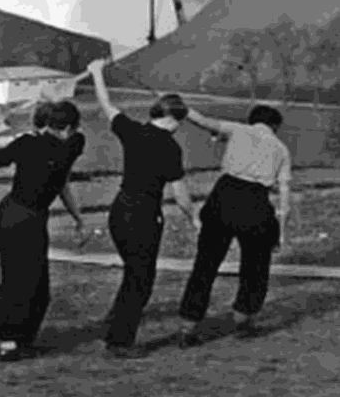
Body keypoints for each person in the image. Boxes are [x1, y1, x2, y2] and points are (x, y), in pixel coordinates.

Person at [0, 100, 88, 362]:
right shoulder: (74, 144)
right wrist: (77, 218)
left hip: (13, 216)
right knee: (21, 287)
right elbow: (60, 180)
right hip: (23, 222)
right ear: (68, 127)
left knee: (34, 288)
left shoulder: (27, 143)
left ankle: (12, 338)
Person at [86, 59, 197, 358]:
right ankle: (118, 343)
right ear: (173, 120)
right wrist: (195, 219)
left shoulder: (132, 131)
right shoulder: (171, 148)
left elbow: (106, 105)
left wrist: (97, 73)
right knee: (141, 282)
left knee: (132, 272)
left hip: (119, 211)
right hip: (144, 217)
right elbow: (181, 195)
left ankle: (115, 320)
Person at [177, 105, 292, 344]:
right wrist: (280, 232)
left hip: (224, 195)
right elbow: (284, 196)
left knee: (205, 265)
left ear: (252, 121)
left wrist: (181, 107)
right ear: (274, 127)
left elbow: (202, 120)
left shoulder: (238, 130)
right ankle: (243, 318)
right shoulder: (281, 149)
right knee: (256, 266)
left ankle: (188, 325)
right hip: (256, 201)